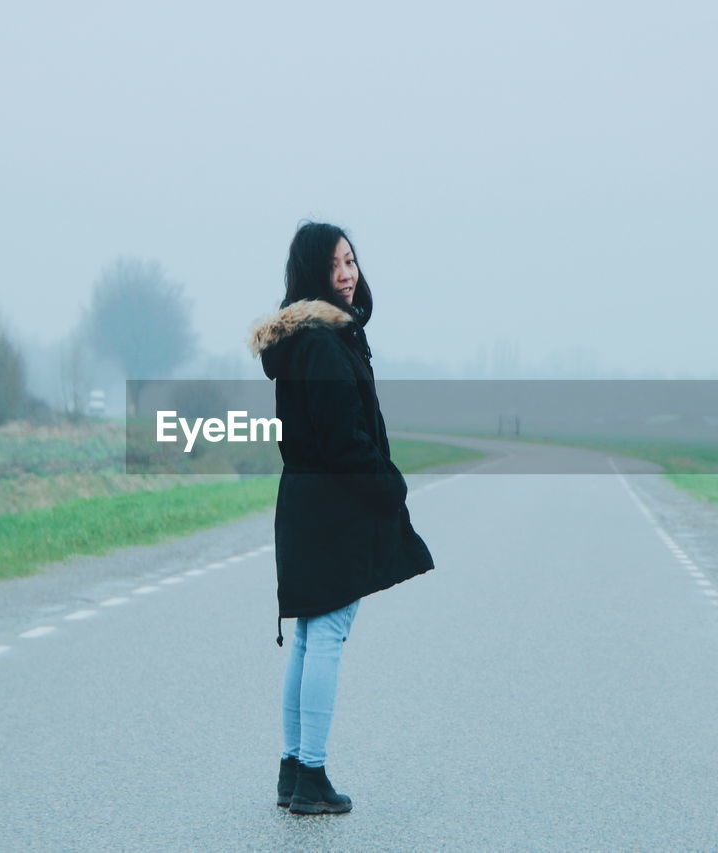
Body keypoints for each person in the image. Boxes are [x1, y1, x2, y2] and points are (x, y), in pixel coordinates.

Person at [246, 221, 434, 815]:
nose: (347, 274)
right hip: (331, 504)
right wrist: (388, 485)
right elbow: (342, 438)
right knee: (325, 635)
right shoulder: (324, 344)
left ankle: (293, 770)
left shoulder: (310, 339)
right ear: (312, 275)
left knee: (310, 635)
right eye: (335, 266)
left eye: (351, 261)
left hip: (308, 499)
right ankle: (311, 775)